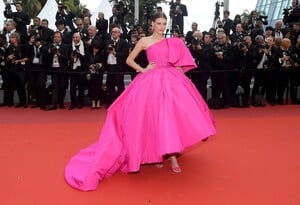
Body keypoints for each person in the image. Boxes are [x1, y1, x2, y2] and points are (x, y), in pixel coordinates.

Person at [64, 12, 216, 191]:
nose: (162, 26)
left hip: (170, 80)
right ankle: (160, 154)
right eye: (159, 23)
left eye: (164, 23)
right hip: (150, 82)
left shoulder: (172, 41)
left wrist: (180, 79)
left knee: (170, 118)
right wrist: (143, 69)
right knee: (153, 118)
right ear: (152, 24)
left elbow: (180, 62)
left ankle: (172, 155)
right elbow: (129, 60)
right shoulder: (144, 41)